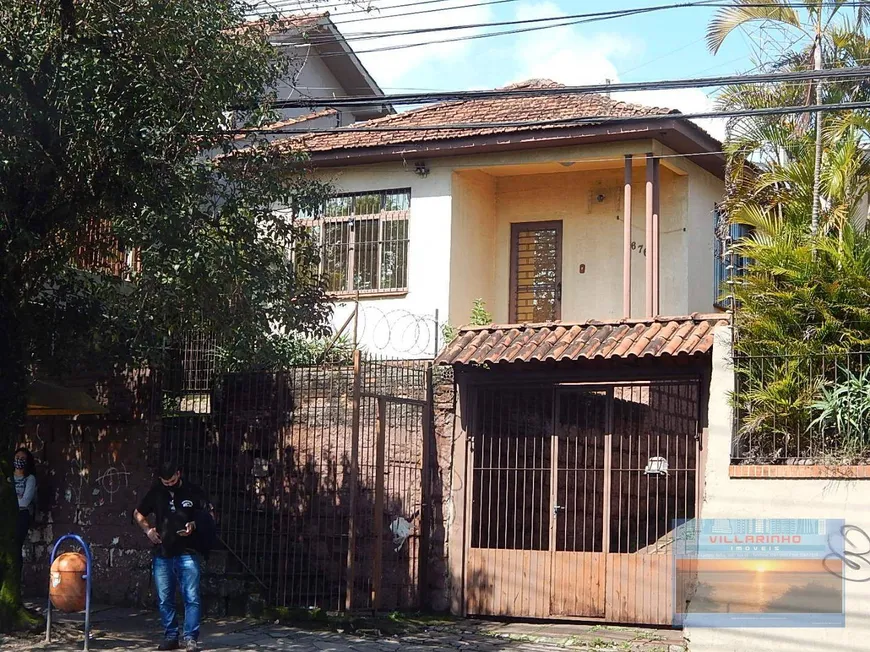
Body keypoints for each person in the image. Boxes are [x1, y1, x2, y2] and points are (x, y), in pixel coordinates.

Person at [133, 459, 212, 652]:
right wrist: (148, 531)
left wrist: (193, 525)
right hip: (163, 552)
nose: (168, 484)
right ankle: (171, 636)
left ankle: (191, 638)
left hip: (188, 552)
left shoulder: (193, 491)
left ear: (179, 473)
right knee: (164, 598)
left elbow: (208, 514)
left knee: (191, 596)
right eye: (165, 481)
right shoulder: (156, 492)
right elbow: (138, 513)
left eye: (171, 480)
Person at [13, 447, 37, 575]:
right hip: (9, 515)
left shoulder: (30, 479)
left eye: (22, 459)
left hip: (22, 515)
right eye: (17, 458)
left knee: (16, 547)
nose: (19, 461)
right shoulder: (9, 478)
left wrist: (12, 500)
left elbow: (25, 501)